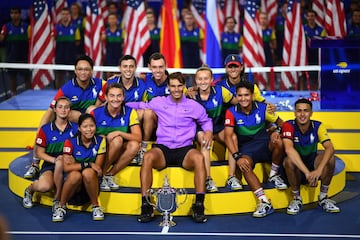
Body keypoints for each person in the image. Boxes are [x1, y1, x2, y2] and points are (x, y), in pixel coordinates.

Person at [137, 72, 212, 223]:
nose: (176, 89)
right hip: (163, 149)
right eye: (173, 86)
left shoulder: (194, 106)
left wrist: (209, 132)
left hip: (185, 149)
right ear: (168, 87)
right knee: (147, 157)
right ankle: (146, 205)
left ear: (184, 87)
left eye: (179, 86)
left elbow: (206, 120)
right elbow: (138, 105)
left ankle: (199, 205)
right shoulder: (158, 102)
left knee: (198, 158)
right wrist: (114, 104)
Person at [24, 55, 104, 179]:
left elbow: (113, 88)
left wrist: (115, 78)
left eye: (86, 69)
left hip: (92, 121)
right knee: (58, 119)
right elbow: (52, 109)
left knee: (92, 110)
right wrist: (42, 129)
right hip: (74, 121)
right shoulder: (67, 88)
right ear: (75, 71)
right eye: (80, 69)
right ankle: (35, 164)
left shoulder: (99, 83)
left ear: (92, 70)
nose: (83, 72)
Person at [224, 81, 286, 218]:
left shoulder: (264, 108)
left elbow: (283, 124)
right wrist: (237, 157)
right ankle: (264, 201)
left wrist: (277, 130)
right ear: (236, 96)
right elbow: (228, 137)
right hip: (247, 149)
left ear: (252, 96)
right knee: (244, 165)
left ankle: (273, 175)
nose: (243, 98)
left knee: (279, 142)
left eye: (246, 95)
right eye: (240, 95)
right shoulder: (231, 112)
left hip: (265, 144)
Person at [216, 54, 276, 191]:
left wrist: (270, 106)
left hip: (244, 123)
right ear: (226, 68)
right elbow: (205, 89)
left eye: (236, 66)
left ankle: (274, 171)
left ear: (241, 67)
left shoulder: (251, 86)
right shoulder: (219, 85)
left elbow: (260, 102)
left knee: (267, 121)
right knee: (233, 136)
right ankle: (232, 177)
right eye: (230, 67)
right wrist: (192, 89)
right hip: (224, 125)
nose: (233, 69)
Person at [282, 98, 340, 215]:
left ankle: (323, 198)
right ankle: (297, 199)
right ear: (294, 113)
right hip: (296, 166)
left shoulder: (318, 126)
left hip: (311, 161)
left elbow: (330, 148)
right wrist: (308, 173)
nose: (302, 114)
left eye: (306, 111)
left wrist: (318, 170)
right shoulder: (288, 125)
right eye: (299, 111)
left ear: (311, 113)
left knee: (331, 159)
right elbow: (288, 149)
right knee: (288, 161)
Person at [23, 97, 78, 212]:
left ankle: (57, 200)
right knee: (45, 186)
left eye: (66, 107)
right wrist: (55, 160)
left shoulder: (76, 128)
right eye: (60, 107)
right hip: (50, 164)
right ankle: (29, 190)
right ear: (55, 109)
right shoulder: (45, 129)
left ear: (70, 110)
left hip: (69, 165)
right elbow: (39, 152)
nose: (63, 110)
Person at [52, 113, 106, 222]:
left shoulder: (101, 141)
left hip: (91, 181)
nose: (89, 129)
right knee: (75, 175)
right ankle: (61, 207)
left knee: (88, 173)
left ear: (96, 126)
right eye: (85, 126)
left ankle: (95, 206)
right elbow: (67, 168)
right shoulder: (70, 142)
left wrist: (76, 164)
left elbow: (98, 169)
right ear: (80, 128)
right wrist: (88, 164)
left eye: (91, 126)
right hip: (73, 183)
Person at [194, 65, 239, 192]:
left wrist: (262, 105)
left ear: (211, 80)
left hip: (218, 127)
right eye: (200, 79)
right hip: (200, 129)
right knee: (205, 141)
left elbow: (238, 103)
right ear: (196, 81)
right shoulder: (190, 94)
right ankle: (208, 179)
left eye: (206, 79)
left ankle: (232, 177)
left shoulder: (221, 91)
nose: (203, 82)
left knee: (232, 137)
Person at [91, 83, 142, 191]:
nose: (115, 99)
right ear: (106, 97)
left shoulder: (130, 112)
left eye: (119, 96)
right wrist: (102, 138)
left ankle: (107, 174)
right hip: (98, 150)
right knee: (117, 141)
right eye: (112, 96)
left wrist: (119, 132)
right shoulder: (95, 113)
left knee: (133, 145)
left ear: (123, 97)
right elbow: (85, 135)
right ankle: (101, 175)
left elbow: (138, 137)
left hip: (118, 148)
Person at [0, 7, 31, 97]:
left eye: (16, 13)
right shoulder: (6, 27)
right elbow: (1, 38)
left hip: (23, 57)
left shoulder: (26, 27)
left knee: (27, 78)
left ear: (20, 14)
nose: (14, 15)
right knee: (12, 78)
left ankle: (31, 95)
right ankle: (13, 96)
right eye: (12, 13)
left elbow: (31, 40)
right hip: (11, 57)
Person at [53, 7, 81, 89]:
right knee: (59, 76)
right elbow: (53, 41)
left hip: (71, 56)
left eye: (67, 14)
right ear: (61, 16)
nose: (65, 16)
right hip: (59, 56)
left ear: (70, 15)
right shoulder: (56, 28)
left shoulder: (75, 28)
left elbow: (77, 42)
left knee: (72, 76)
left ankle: (73, 94)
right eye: (63, 14)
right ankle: (57, 94)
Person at [303, 9, 327, 90]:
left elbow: (324, 43)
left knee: (316, 76)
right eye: (309, 16)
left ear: (315, 17)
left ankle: (316, 93)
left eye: (312, 16)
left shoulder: (321, 29)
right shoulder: (302, 29)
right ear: (306, 17)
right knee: (305, 76)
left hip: (317, 56)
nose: (310, 18)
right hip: (306, 56)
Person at [102, 13, 125, 79]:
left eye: (113, 18)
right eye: (110, 19)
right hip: (109, 56)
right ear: (108, 20)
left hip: (119, 55)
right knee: (108, 74)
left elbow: (124, 43)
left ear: (116, 20)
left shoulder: (121, 31)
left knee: (118, 74)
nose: (112, 20)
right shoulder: (105, 32)